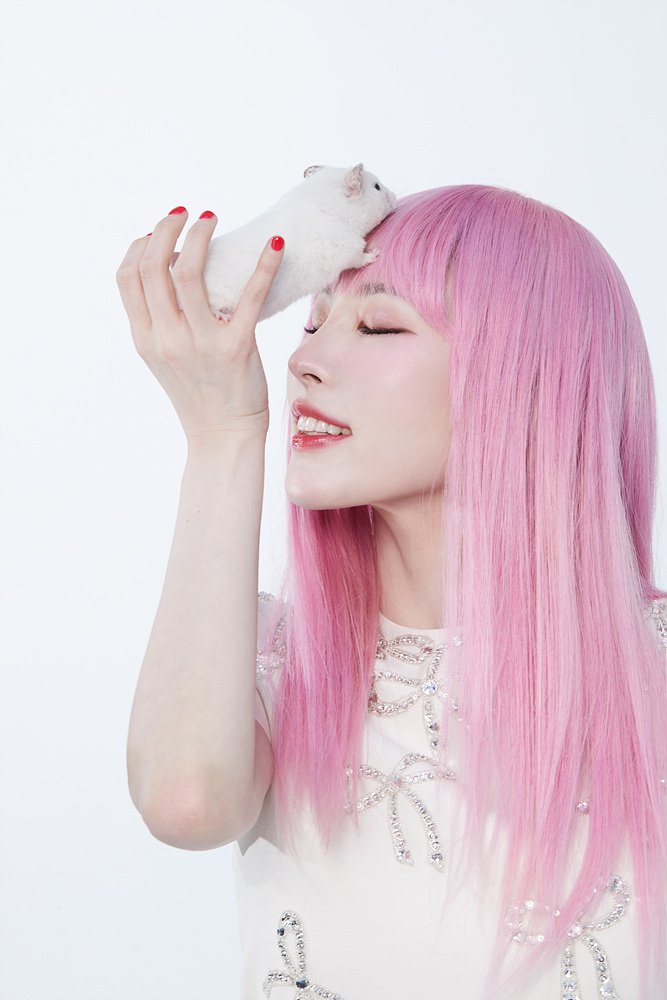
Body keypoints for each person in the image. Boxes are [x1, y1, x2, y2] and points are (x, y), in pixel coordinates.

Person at [116, 187, 667, 999]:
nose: (302, 361)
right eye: (312, 323)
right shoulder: (271, 664)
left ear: (524, 378)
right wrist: (222, 438)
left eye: (376, 326)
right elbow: (185, 803)